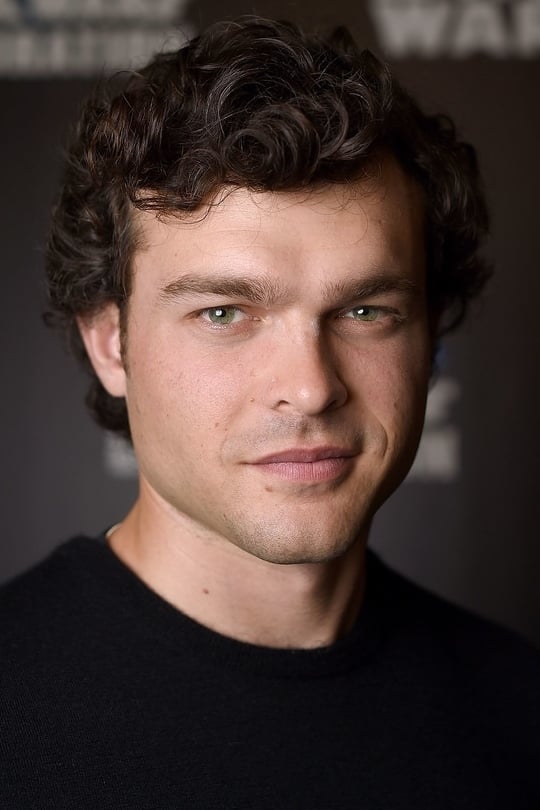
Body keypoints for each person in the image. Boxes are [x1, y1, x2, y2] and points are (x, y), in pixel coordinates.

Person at [1, 15, 538, 809]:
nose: (311, 387)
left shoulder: (520, 713)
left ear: (429, 334)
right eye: (223, 313)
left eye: (365, 311)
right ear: (112, 345)